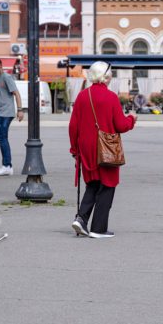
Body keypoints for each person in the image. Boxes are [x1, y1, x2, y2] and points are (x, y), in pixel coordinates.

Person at [69, 61, 137, 238]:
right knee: (107, 185)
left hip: (86, 146)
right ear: (105, 76)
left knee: (92, 183)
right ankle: (98, 228)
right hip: (106, 147)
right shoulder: (111, 97)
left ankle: (81, 219)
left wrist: (74, 149)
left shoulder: (83, 96)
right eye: (110, 73)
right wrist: (131, 119)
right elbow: (121, 125)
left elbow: (73, 125)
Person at [0, 59, 24, 176]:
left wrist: (20, 110)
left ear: (0, 67)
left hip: (6, 113)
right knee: (0, 138)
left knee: (2, 138)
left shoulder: (7, 77)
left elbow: (16, 93)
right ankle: (7, 165)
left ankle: (7, 166)